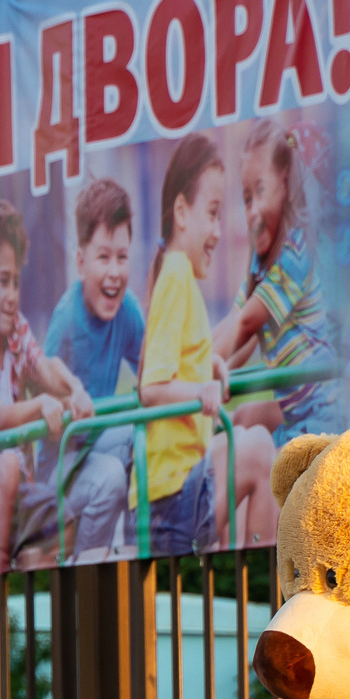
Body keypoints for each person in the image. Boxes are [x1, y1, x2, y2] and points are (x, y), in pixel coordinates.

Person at [217, 117, 332, 548]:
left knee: (259, 452)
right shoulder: (259, 263)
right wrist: (210, 373)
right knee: (239, 420)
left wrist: (190, 368)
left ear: (286, 184)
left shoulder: (296, 252)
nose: (250, 211)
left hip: (319, 419)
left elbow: (247, 321)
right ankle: (238, 550)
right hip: (293, 412)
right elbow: (238, 334)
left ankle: (256, 556)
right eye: (244, 198)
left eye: (259, 193)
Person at [0, 195, 91, 573]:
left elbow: (44, 366)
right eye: (3, 282)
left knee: (66, 521)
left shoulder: (16, 327)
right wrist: (39, 406)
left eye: (16, 283)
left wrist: (74, 389)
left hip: (16, 492)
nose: (11, 296)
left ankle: (30, 569)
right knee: (6, 463)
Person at [43, 177, 148, 560]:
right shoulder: (67, 318)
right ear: (80, 261)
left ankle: (140, 548)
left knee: (142, 437)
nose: (114, 272)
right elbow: (44, 375)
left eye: (122, 257)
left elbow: (153, 377)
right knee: (109, 479)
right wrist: (69, 394)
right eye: (103, 257)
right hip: (60, 462)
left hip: (98, 440)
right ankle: (85, 566)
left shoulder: (129, 311)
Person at [137, 135, 230, 558]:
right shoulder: (175, 272)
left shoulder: (179, 276)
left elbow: (175, 359)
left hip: (181, 481)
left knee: (245, 444)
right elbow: (152, 387)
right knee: (251, 448)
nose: (218, 231)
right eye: (212, 214)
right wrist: (201, 392)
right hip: (172, 490)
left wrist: (207, 365)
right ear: (180, 212)